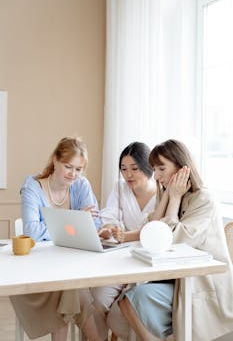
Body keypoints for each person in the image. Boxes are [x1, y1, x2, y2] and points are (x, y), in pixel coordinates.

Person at [112, 139, 233, 341]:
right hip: (176, 277)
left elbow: (174, 241)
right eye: (154, 169)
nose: (156, 176)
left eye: (161, 169)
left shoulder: (205, 199)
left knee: (132, 300)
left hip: (201, 282)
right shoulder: (170, 194)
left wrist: (174, 198)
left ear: (181, 167)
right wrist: (169, 195)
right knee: (125, 301)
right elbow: (151, 232)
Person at [10, 136, 102, 341]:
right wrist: (76, 221)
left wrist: (71, 224)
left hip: (71, 267)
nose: (73, 174)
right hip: (39, 274)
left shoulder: (81, 185)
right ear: (55, 160)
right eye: (68, 167)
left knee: (71, 287)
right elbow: (32, 231)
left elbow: (96, 225)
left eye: (79, 169)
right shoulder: (32, 187)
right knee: (72, 289)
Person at [93, 142, 157, 340]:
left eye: (134, 169)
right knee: (97, 300)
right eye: (123, 169)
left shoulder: (162, 194)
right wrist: (109, 228)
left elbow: (156, 230)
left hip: (147, 264)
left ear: (148, 168)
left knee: (124, 311)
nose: (128, 175)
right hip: (119, 260)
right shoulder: (120, 188)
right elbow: (110, 216)